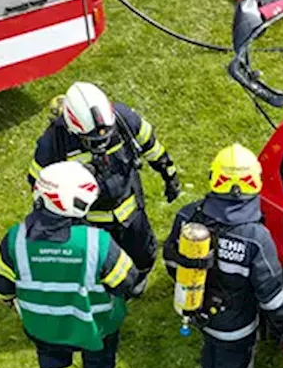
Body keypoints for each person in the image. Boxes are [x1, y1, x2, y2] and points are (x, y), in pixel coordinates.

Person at [0, 161, 142, 368]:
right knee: (99, 366)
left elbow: (1, 284)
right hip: (95, 325)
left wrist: (9, 300)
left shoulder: (14, 239)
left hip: (43, 326)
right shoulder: (97, 242)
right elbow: (128, 282)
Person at [164, 144, 283, 368]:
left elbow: (171, 261)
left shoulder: (187, 217)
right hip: (237, 323)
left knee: (210, 349)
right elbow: (272, 296)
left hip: (197, 309)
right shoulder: (256, 237)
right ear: (254, 182)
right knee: (235, 365)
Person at [28, 82, 180, 294]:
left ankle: (138, 280)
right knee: (101, 262)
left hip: (130, 209)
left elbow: (151, 145)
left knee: (144, 252)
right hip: (91, 219)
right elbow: (38, 182)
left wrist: (169, 174)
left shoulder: (123, 120)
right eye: (91, 140)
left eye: (105, 138)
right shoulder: (54, 142)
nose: (100, 144)